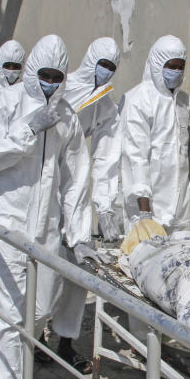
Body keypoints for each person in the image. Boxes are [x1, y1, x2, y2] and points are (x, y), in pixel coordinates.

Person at [0, 34, 100, 379]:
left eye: (57, 76)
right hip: (4, 225)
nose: (50, 83)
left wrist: (80, 236)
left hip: (44, 231)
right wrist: (27, 130)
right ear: (31, 72)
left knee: (41, 306)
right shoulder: (3, 103)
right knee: (5, 313)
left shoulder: (66, 118)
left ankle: (16, 365)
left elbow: (77, 179)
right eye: (44, 74)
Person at [118, 35, 190, 232]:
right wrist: (144, 213)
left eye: (180, 66)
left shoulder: (183, 102)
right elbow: (136, 157)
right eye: (171, 66)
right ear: (157, 65)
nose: (176, 72)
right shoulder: (139, 99)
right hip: (148, 208)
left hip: (179, 209)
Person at [61, 37, 123, 241]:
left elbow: (107, 157)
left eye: (111, 66)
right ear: (91, 60)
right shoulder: (62, 87)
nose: (107, 70)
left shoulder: (104, 105)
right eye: (103, 64)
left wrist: (105, 208)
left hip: (72, 162)